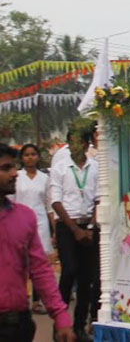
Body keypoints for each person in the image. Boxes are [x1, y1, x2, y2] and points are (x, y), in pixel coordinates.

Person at [0, 144, 75, 342]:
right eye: (6, 168)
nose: (15, 173)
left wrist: (61, 317)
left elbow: (40, 269)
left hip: (18, 324)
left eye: (14, 167)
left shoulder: (24, 218)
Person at [50, 127, 99, 341]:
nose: (78, 146)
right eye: (73, 142)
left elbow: (99, 199)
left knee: (87, 278)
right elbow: (55, 201)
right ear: (68, 144)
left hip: (89, 226)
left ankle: (80, 326)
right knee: (69, 271)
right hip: (67, 227)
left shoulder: (96, 167)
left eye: (82, 142)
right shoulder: (59, 168)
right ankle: (59, 325)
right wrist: (75, 229)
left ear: (88, 144)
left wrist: (89, 228)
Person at [12, 144, 53, 314]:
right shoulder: (17, 177)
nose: (30, 158)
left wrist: (54, 228)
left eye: (33, 154)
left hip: (40, 224)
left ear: (38, 156)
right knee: (19, 262)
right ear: (22, 158)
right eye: (27, 155)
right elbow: (11, 200)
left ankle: (37, 301)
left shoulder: (45, 178)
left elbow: (49, 204)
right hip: (19, 223)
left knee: (39, 263)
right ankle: (20, 299)